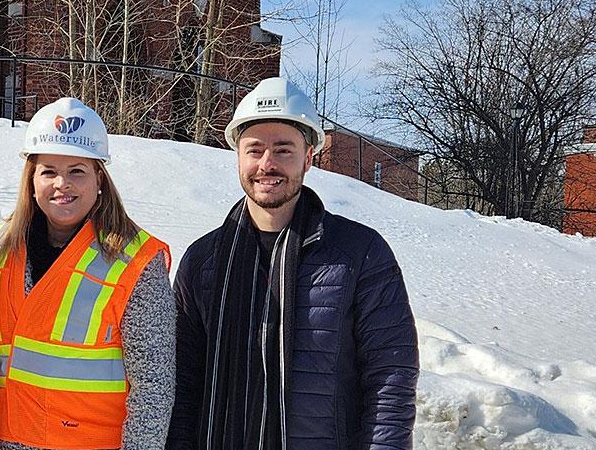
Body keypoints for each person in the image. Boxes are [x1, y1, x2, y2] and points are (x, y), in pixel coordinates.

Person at [167, 78, 419, 450]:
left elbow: (390, 378)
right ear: (238, 157)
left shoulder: (359, 254)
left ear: (308, 157)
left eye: (283, 150)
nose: (267, 164)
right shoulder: (203, 260)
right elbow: (181, 385)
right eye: (255, 150)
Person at [0, 97, 175, 450]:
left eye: (76, 171)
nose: (61, 184)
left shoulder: (135, 261)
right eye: (49, 171)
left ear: (99, 177)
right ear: (31, 178)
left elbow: (153, 386)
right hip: (2, 441)